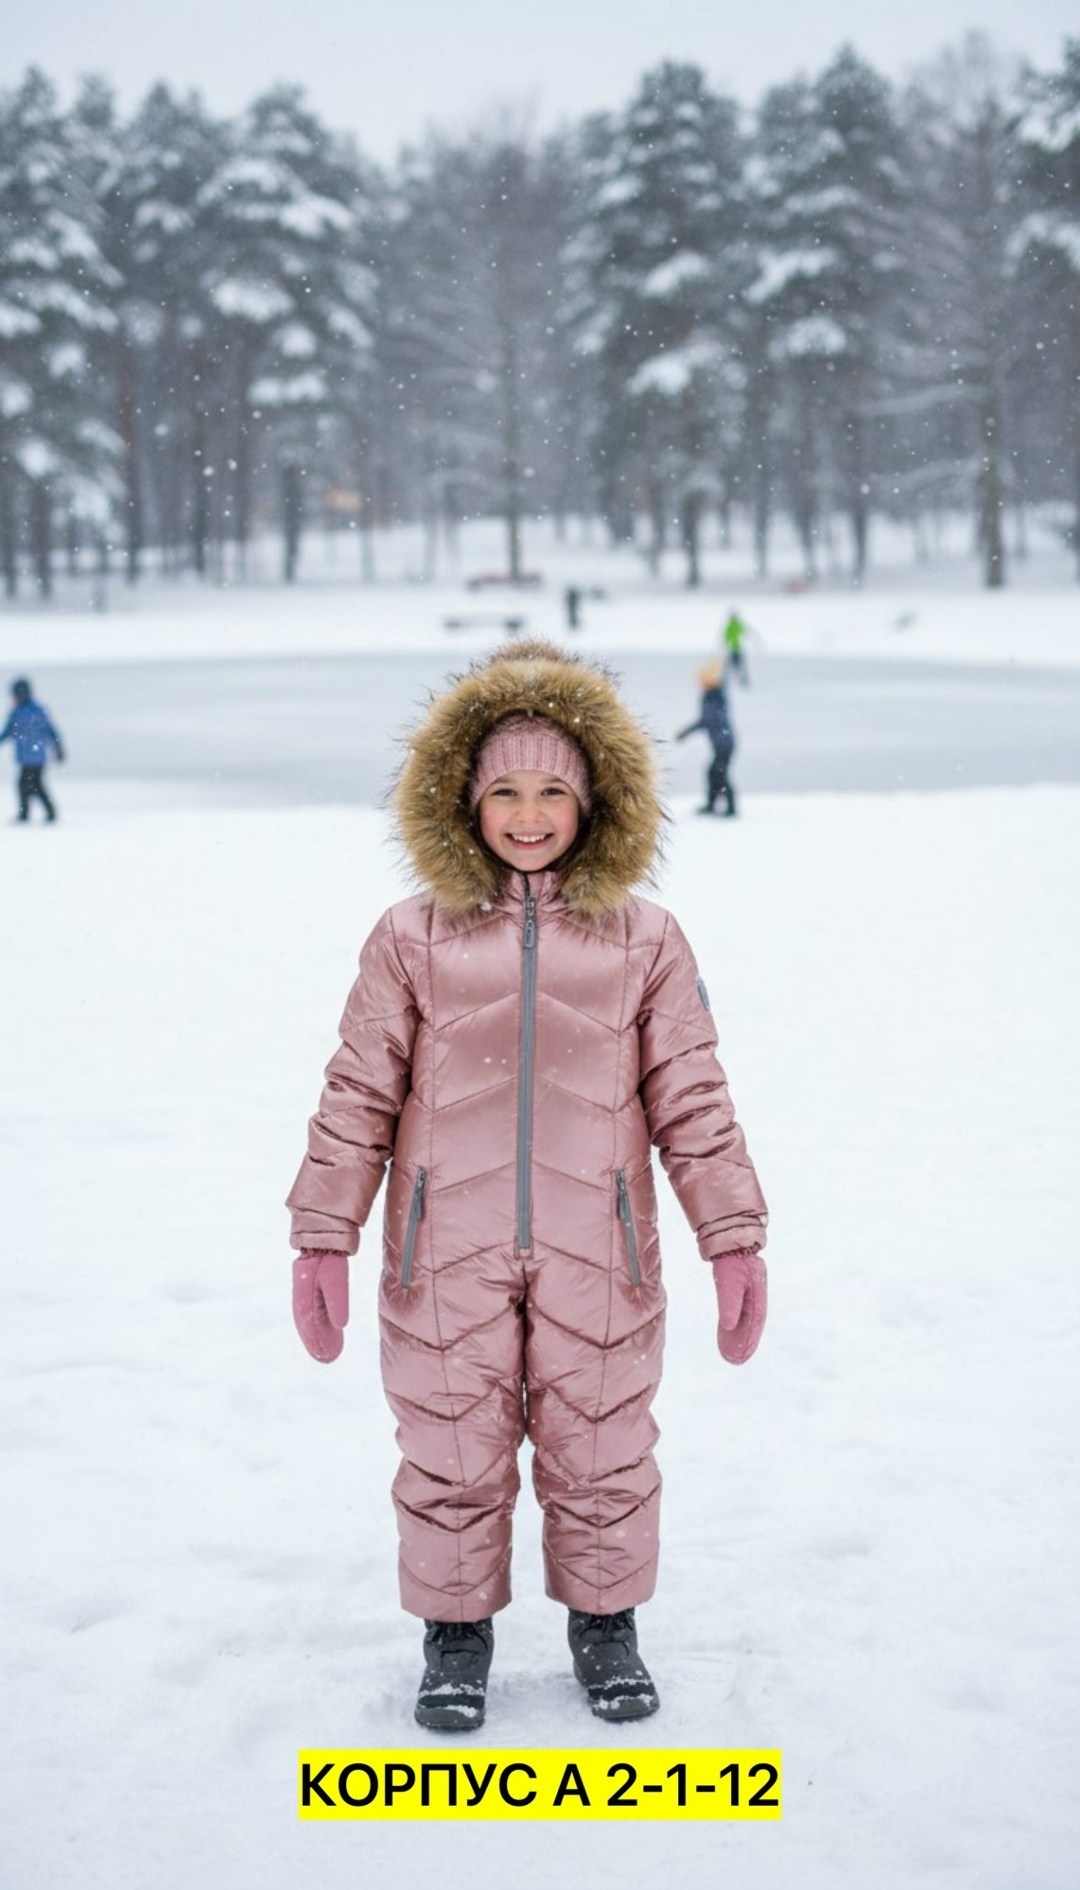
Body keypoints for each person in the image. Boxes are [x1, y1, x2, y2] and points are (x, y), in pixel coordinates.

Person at [286, 638, 768, 1733]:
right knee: (449, 1443)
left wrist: (729, 1235)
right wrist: (326, 1234)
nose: (530, 812)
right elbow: (358, 1090)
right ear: (463, 798)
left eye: (554, 789)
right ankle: (456, 1635)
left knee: (602, 1444)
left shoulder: (644, 939)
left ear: (595, 800)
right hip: (437, 1248)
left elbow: (693, 1095)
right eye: (504, 790)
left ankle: (607, 1624)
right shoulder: (411, 937)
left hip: (603, 1250)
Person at [676, 659, 738, 817]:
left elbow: (706, 720)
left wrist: (686, 732)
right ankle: (713, 804)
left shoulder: (715, 696)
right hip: (722, 743)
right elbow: (706, 720)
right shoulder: (711, 696)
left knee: (719, 773)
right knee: (713, 772)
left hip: (724, 743)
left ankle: (730, 807)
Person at [1, 678, 65, 823]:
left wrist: (58, 747)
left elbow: (7, 732)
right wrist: (58, 747)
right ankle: (43, 812)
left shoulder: (20, 712)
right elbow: (50, 731)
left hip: (31, 757)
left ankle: (31, 813)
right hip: (35, 757)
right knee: (32, 784)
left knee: (28, 784)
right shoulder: (36, 710)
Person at [722, 609, 750, 686]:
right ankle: (743, 679)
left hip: (733, 648)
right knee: (740, 665)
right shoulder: (737, 625)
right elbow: (745, 632)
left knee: (730, 665)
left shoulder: (730, 626)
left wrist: (725, 643)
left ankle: (725, 679)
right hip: (737, 648)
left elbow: (725, 636)